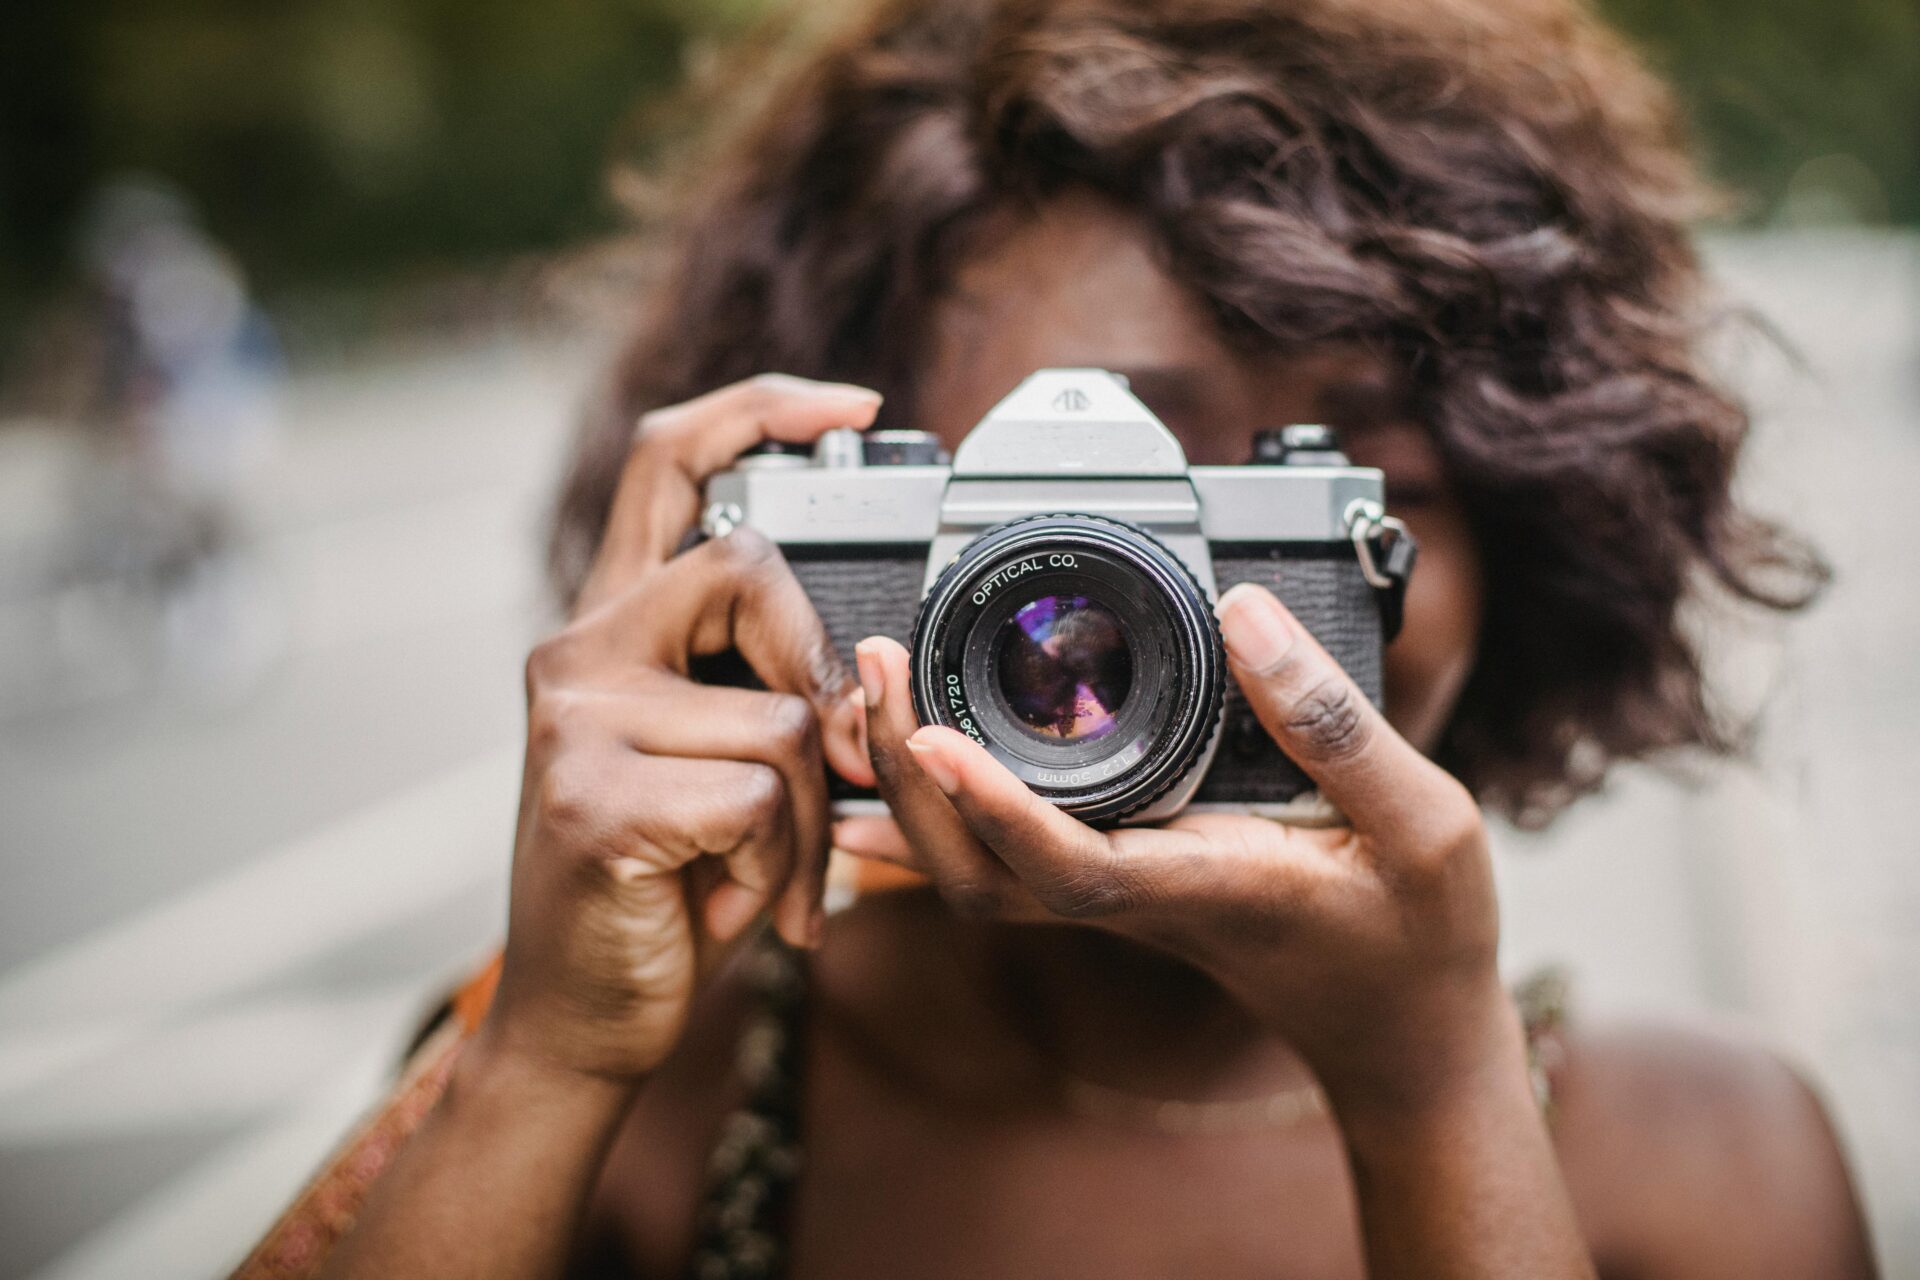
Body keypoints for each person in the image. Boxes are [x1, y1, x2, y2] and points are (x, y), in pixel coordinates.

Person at [256, 0, 1882, 1275]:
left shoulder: (1709, 1172)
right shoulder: (628, 1106)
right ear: (823, 535)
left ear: (1544, 521)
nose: (1196, 614)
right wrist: (543, 1067)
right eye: (1081, 511)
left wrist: (1437, 1097)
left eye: (1349, 485)